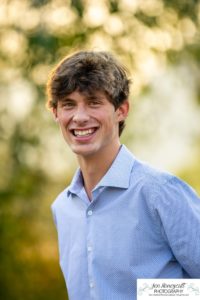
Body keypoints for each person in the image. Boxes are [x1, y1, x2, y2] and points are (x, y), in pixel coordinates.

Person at [46, 50, 200, 300]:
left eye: (94, 102)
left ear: (121, 110)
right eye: (68, 104)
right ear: (56, 113)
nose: (80, 117)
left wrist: (147, 291)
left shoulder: (160, 193)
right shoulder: (62, 208)